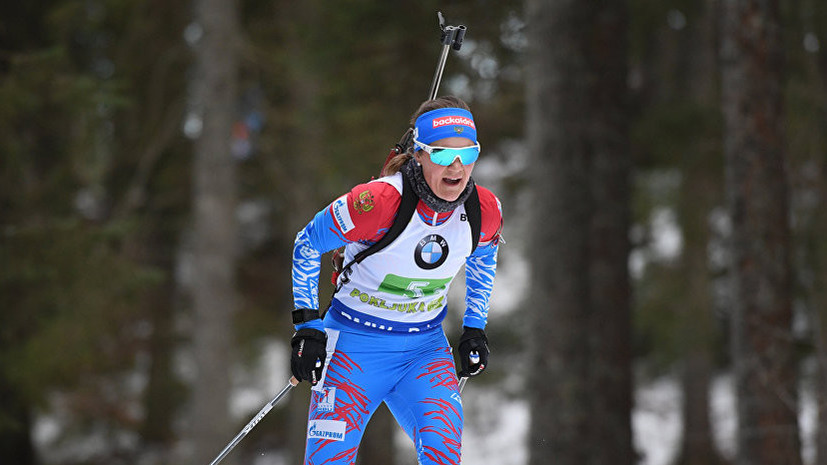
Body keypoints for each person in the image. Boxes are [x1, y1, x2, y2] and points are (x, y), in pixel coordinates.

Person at [290, 95, 503, 465]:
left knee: (443, 454)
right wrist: (308, 326)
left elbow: (484, 257)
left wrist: (474, 328)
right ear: (419, 154)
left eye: (468, 154)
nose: (456, 166)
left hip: (424, 351)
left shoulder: (483, 210)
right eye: (442, 154)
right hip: (353, 350)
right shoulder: (377, 202)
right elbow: (307, 243)